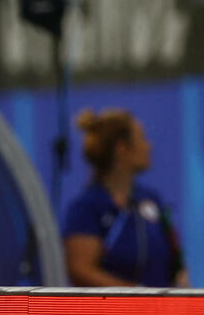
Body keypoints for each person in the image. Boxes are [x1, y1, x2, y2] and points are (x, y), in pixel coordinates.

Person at [64, 109, 187, 287]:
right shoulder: (87, 208)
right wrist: (135, 294)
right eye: (142, 139)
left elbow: (175, 262)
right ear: (122, 149)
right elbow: (80, 271)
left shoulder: (151, 200)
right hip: (115, 305)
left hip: (162, 304)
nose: (149, 146)